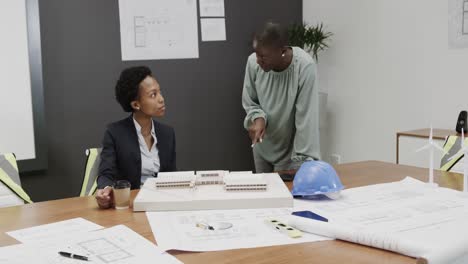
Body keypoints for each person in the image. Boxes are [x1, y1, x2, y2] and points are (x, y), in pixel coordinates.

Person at [242, 22, 320, 174]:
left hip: (291, 153)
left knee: (286, 195)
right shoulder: (253, 63)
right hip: (262, 144)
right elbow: (250, 102)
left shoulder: (304, 67)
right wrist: (258, 118)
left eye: (263, 56)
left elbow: (306, 118)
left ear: (282, 51)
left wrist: (302, 162)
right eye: (256, 53)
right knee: (264, 194)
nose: (258, 60)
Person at [95, 66, 176, 209]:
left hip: (161, 205)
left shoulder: (167, 133)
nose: (161, 99)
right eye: (153, 95)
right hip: (129, 206)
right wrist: (105, 190)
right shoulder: (115, 133)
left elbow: (171, 176)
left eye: (160, 92)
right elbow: (106, 174)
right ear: (136, 104)